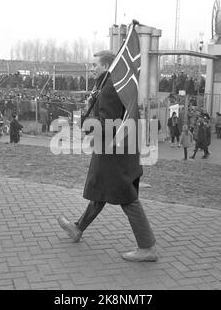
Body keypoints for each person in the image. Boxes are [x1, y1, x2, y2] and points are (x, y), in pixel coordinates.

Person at [57, 50, 157, 262]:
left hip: (113, 153)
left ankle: (147, 247)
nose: (92, 68)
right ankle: (77, 228)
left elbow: (110, 125)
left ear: (106, 65)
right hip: (116, 150)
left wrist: (88, 125)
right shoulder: (113, 84)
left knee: (127, 198)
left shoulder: (110, 89)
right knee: (100, 192)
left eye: (95, 65)